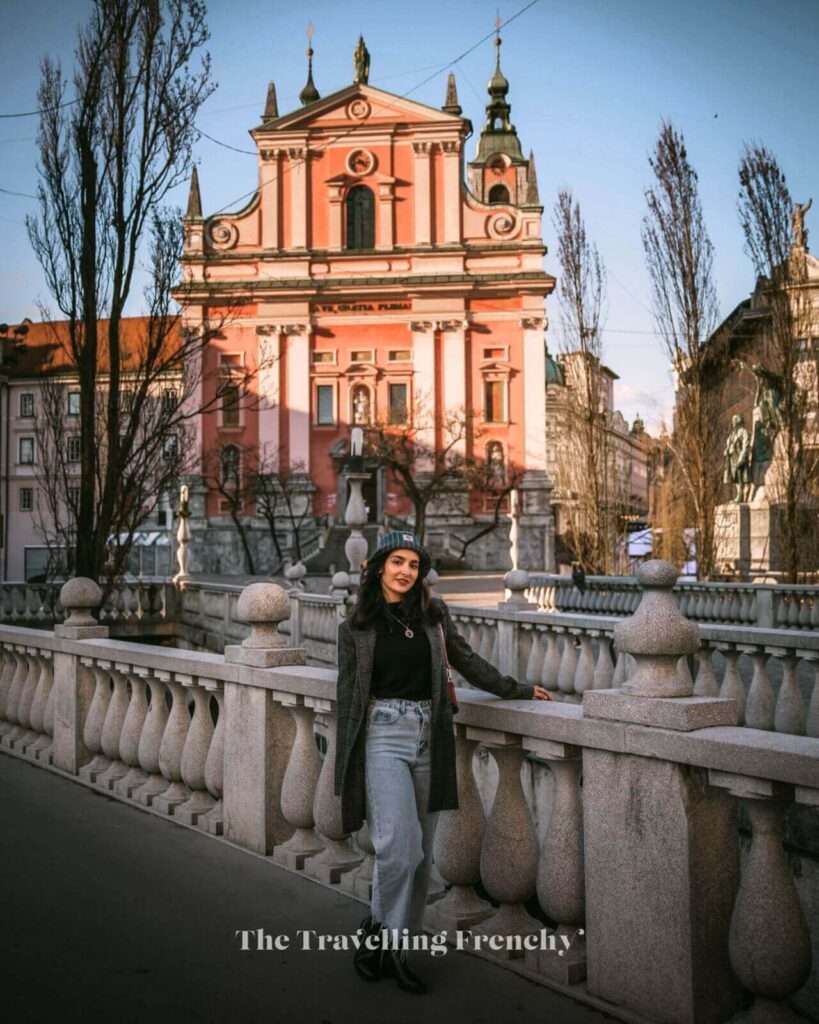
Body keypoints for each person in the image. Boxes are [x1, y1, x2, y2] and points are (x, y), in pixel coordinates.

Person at [333, 531, 551, 994]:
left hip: (431, 737)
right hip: (383, 735)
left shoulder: (434, 618)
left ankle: (386, 938)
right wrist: (347, 763)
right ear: (377, 568)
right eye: (397, 562)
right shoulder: (355, 628)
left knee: (422, 856)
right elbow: (347, 698)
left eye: (413, 564)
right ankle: (389, 942)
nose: (406, 571)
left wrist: (516, 688)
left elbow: (468, 662)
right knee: (399, 848)